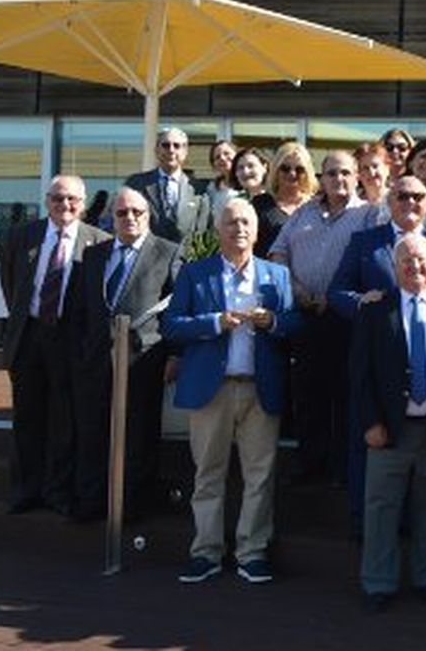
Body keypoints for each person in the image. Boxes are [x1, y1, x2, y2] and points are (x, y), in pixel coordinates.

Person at [165, 198, 302, 585]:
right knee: (208, 473)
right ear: (218, 230)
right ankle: (205, 552)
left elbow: (295, 325)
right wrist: (214, 322)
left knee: (260, 475)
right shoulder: (195, 273)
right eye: (231, 222)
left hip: (261, 387)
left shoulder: (277, 275)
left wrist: (272, 321)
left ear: (257, 231)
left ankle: (252, 553)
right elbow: (172, 325)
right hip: (212, 390)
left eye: (246, 222)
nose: (239, 229)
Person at [329, 177, 426, 532]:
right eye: (402, 196)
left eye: (418, 196)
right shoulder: (365, 241)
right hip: (381, 374)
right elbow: (337, 291)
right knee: (376, 481)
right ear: (389, 201)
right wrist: (363, 304)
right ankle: (367, 533)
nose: (410, 202)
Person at [350, 234, 426, 612]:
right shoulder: (374, 310)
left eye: (421, 260)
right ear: (395, 267)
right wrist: (370, 422)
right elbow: (360, 373)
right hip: (388, 430)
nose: (415, 266)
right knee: (381, 509)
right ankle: (378, 583)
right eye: (406, 260)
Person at [66, 186, 181, 522]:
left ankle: (130, 505)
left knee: (138, 434)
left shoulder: (168, 252)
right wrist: (81, 352)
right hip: (96, 360)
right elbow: (80, 309)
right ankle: (91, 501)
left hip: (143, 361)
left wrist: (174, 355)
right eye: (122, 213)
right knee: (92, 430)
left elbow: (176, 310)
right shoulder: (93, 255)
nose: (130, 217)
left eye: (137, 212)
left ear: (148, 216)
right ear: (112, 218)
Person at [0, 175, 110, 515]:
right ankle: (25, 490)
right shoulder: (21, 237)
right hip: (30, 335)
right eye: (58, 198)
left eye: (73, 199)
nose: (65, 205)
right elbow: (10, 284)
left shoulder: (99, 242)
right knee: (27, 416)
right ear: (47, 201)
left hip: (69, 338)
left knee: (64, 418)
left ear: (84, 203)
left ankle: (57, 490)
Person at [268, 150, 367, 486]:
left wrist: (335, 296)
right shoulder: (303, 212)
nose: (339, 179)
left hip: (345, 319)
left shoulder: (368, 214)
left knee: (343, 394)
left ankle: (340, 469)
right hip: (305, 314)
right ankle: (309, 464)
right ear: (321, 179)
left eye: (345, 173)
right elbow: (278, 252)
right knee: (308, 393)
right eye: (332, 173)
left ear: (356, 177)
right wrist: (296, 290)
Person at [125, 126, 209, 248]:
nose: (171, 150)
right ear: (156, 150)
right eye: (165, 145)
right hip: (147, 256)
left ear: (185, 152)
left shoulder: (199, 189)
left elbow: (203, 230)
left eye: (176, 146)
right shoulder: (136, 183)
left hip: (185, 257)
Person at [253, 141, 315, 254]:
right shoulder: (259, 205)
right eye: (285, 168)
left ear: (307, 173)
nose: (292, 174)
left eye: (299, 169)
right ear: (276, 171)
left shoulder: (317, 206)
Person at [354, 141, 392, 215]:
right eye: (365, 168)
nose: (371, 172)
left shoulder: (397, 199)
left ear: (387, 169)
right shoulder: (353, 203)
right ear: (358, 174)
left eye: (375, 166)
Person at [205, 140, 239, 208]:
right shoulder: (211, 189)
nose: (222, 158)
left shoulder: (247, 184)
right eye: (217, 157)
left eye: (226, 153)